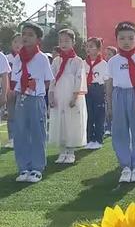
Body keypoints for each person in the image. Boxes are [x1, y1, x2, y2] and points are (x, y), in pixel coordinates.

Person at [106, 21, 135, 183]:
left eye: (130, 38)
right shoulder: (113, 61)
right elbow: (109, 84)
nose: (126, 42)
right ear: (116, 40)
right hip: (119, 95)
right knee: (119, 131)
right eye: (122, 38)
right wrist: (109, 105)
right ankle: (125, 166)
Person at [11, 23, 54, 183]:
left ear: (38, 39)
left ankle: (36, 168)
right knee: (21, 133)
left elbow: (48, 80)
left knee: (37, 133)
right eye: (24, 34)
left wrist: (37, 91)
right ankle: (23, 167)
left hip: (36, 99)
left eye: (30, 34)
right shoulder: (17, 58)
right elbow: (15, 80)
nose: (26, 37)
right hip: (21, 98)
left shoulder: (42, 58)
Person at [49, 29, 87, 164]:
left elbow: (79, 80)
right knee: (60, 122)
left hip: (72, 96)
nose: (63, 44)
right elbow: (52, 79)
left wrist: (75, 97)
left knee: (72, 122)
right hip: (59, 95)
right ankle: (62, 151)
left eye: (67, 41)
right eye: (61, 41)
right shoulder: (56, 61)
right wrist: (51, 96)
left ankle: (71, 152)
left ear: (73, 42)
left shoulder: (78, 61)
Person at [84, 37, 108, 150]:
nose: (88, 49)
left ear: (98, 50)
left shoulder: (103, 64)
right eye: (87, 46)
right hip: (86, 90)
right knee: (88, 115)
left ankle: (98, 139)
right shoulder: (83, 63)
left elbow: (107, 81)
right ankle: (89, 138)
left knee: (99, 115)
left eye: (91, 46)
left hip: (98, 89)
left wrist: (107, 94)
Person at [5, 33, 22, 148]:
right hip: (10, 90)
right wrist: (8, 90)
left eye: (20, 42)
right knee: (11, 115)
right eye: (15, 42)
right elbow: (5, 76)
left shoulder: (25, 58)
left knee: (22, 115)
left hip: (22, 90)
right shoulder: (7, 58)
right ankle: (11, 138)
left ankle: (21, 137)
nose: (17, 45)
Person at [103, 46, 117, 136]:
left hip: (115, 90)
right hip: (106, 90)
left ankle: (114, 127)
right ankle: (108, 127)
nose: (107, 56)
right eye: (106, 54)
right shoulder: (104, 65)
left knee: (115, 108)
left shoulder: (116, 65)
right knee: (107, 108)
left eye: (109, 54)